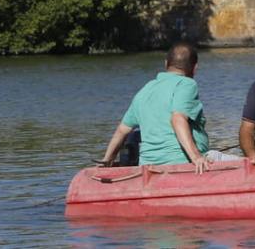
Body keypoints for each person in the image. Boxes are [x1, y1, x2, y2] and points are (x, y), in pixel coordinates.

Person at [99, 41, 234, 173]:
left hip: (148, 167)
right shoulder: (186, 84)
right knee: (247, 163)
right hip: (183, 163)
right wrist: (196, 157)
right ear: (195, 68)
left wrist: (108, 160)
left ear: (166, 64)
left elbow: (122, 130)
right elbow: (177, 119)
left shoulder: (146, 89)